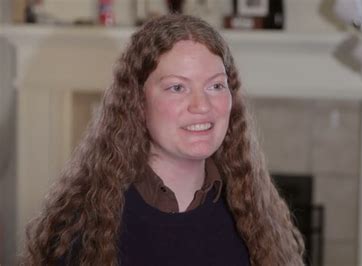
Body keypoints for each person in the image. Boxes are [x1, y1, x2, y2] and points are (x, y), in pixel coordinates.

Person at [21, 14, 305, 266]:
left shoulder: (256, 217)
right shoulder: (82, 226)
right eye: (177, 87)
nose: (201, 105)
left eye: (216, 85)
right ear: (138, 102)